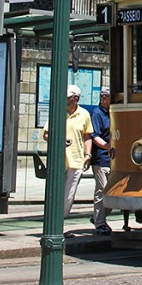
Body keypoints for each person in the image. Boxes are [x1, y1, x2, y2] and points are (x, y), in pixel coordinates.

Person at [42, 84, 92, 237]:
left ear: (75, 99)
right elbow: (46, 134)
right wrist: (58, 139)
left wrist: (88, 155)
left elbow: (87, 136)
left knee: (68, 196)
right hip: (58, 159)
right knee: (55, 193)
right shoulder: (57, 112)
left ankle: (60, 226)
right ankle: (53, 227)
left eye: (68, 98)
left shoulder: (84, 115)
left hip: (76, 161)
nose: (65, 100)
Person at [88, 88, 112, 235]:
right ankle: (100, 222)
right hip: (102, 158)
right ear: (104, 98)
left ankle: (98, 217)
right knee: (102, 191)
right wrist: (106, 146)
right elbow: (94, 135)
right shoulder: (97, 113)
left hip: (112, 159)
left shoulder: (112, 113)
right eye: (110, 97)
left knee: (111, 192)